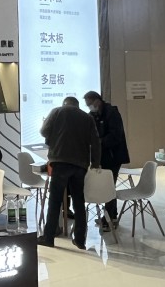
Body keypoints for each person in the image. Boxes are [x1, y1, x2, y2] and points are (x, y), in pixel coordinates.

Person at [37, 96, 100, 250]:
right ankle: (80, 239)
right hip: (80, 164)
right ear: (77, 106)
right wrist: (95, 163)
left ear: (65, 104)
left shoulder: (57, 111)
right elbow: (95, 142)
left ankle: (49, 237)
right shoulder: (87, 118)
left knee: (55, 201)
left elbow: (43, 131)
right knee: (79, 201)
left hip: (60, 162)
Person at [83, 91, 129, 231]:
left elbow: (115, 136)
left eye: (90, 104)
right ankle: (109, 216)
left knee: (109, 185)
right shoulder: (93, 115)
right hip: (102, 156)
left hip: (113, 156)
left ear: (97, 101)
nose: (90, 107)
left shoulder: (111, 113)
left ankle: (110, 218)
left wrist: (98, 142)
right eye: (87, 105)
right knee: (107, 185)